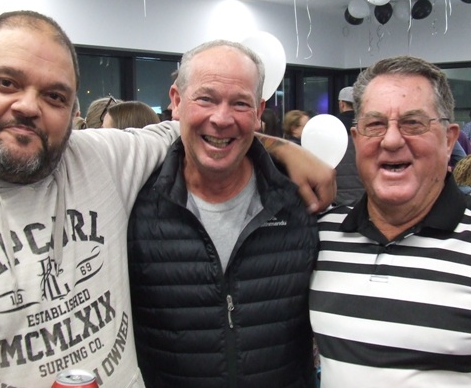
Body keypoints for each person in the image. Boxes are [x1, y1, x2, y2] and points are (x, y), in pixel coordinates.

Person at [0, 10, 336, 388]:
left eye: (55, 96)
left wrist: (284, 150)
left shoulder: (97, 159)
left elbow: (211, 132)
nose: (28, 106)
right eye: (6, 82)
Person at [128, 40, 319, 387]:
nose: (221, 118)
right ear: (176, 101)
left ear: (259, 111)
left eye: (240, 103)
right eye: (206, 98)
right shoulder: (133, 207)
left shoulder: (301, 202)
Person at [310, 55, 471, 387]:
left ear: (449, 138)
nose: (392, 140)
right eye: (375, 124)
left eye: (413, 123)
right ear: (356, 141)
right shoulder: (320, 237)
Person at [334, 86, 364, 206]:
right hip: (365, 196)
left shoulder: (331, 126)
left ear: (341, 104)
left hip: (337, 198)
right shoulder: (368, 127)